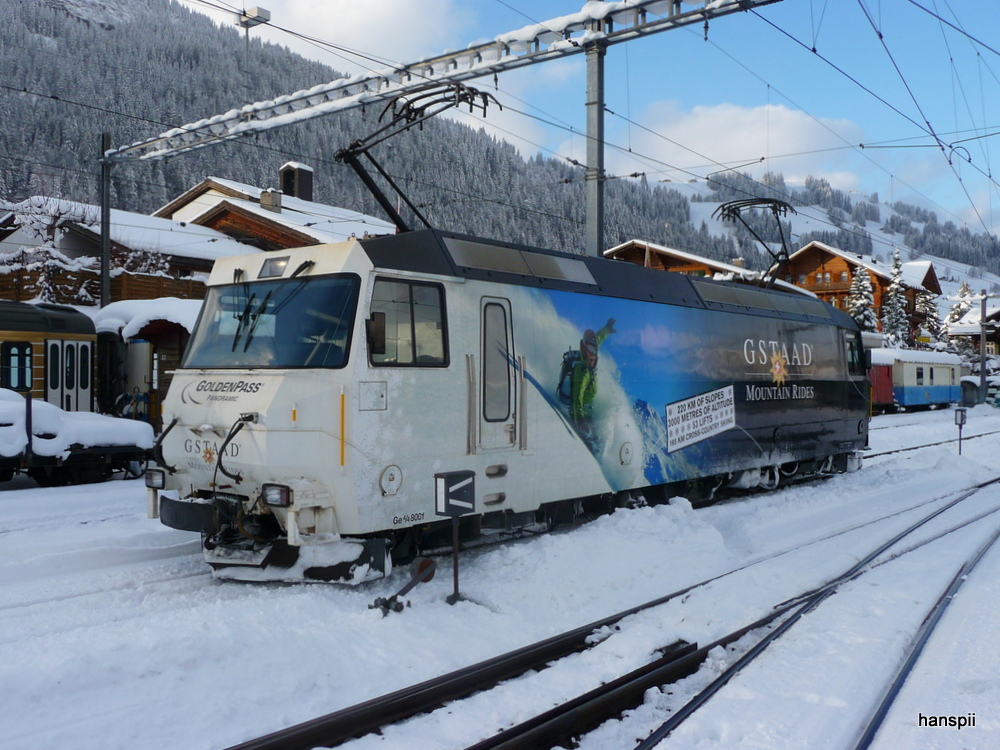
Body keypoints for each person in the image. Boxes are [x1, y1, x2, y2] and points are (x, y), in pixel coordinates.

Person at [570, 318, 615, 438]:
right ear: (584, 348)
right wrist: (579, 419)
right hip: (580, 413)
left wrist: (607, 329)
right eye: (589, 349)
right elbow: (577, 396)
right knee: (591, 438)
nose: (592, 353)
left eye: (594, 349)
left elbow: (599, 337)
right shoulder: (581, 371)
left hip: (588, 408)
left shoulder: (593, 351)